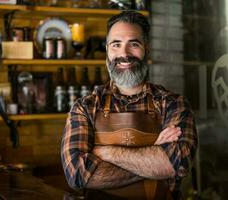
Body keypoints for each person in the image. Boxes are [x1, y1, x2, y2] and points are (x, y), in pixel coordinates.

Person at [61, 10, 197, 199]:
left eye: (133, 44)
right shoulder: (85, 107)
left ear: (146, 49)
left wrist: (106, 153)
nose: (124, 54)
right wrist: (153, 155)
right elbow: (78, 174)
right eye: (116, 45)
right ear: (107, 51)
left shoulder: (173, 104)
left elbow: (176, 164)